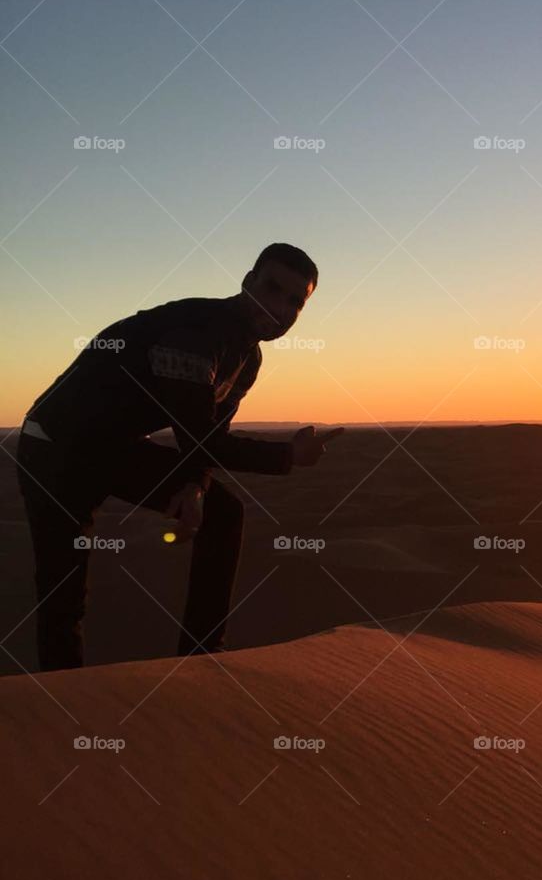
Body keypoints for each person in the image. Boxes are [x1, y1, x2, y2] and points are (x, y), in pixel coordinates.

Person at [16, 242, 334, 671]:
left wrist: (194, 485)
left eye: (296, 301)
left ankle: (202, 660)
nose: (280, 308)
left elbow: (208, 433)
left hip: (113, 447)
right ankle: (65, 695)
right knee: (63, 590)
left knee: (222, 512)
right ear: (248, 282)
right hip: (54, 446)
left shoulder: (248, 358)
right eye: (272, 289)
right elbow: (199, 436)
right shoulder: (197, 332)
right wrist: (287, 455)